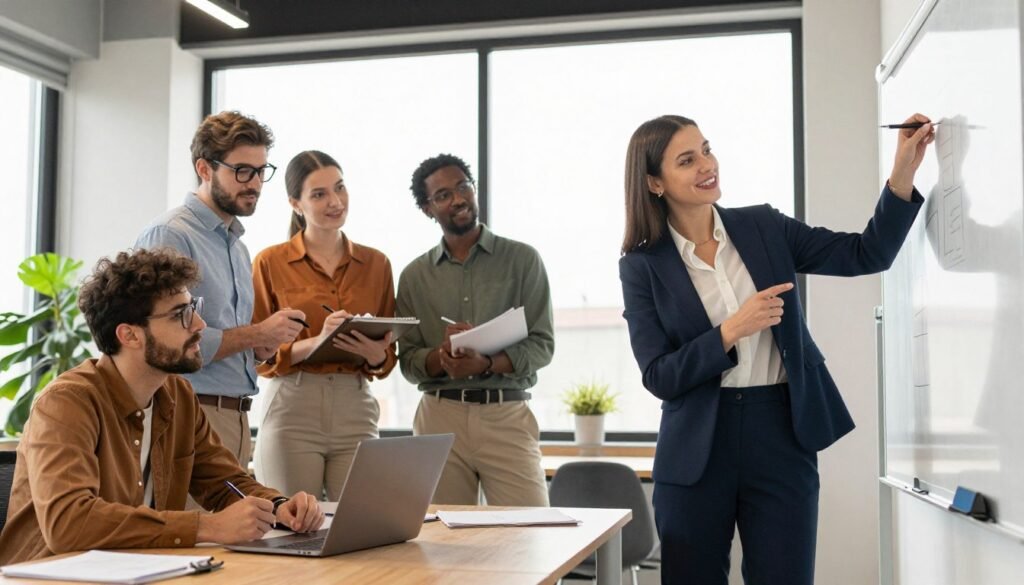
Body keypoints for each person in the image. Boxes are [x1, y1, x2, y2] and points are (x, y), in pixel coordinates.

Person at [618, 113, 934, 584]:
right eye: (687, 160)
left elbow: (866, 253)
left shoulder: (762, 227)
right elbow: (658, 375)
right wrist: (731, 331)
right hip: (697, 448)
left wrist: (903, 171)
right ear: (654, 183)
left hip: (780, 433)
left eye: (707, 149)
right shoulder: (642, 266)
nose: (708, 164)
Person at [0, 249, 324, 565]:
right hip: (49, 575)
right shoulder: (66, 404)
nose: (199, 324)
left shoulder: (178, 395)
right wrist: (206, 527)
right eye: (180, 314)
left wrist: (279, 506)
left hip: (140, 570)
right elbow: (69, 523)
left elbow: (226, 482)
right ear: (130, 335)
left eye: (193, 308)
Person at [135, 111, 306, 469]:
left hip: (237, 417)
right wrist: (256, 333)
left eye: (261, 172)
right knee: (189, 525)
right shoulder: (171, 235)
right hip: (189, 413)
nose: (255, 183)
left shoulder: (237, 247)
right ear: (204, 169)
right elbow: (164, 339)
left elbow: (229, 339)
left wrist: (260, 347)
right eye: (242, 171)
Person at [396, 153, 554, 506]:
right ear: (427, 209)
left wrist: (485, 363)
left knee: (530, 535)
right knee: (441, 543)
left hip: (507, 415)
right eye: (442, 195)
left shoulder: (523, 260)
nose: (458, 199)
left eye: (463, 186)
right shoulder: (413, 276)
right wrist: (442, 356)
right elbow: (407, 362)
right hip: (439, 417)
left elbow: (543, 345)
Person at [251, 150, 397, 499]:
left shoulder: (376, 264)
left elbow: (388, 356)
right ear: (295, 204)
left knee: (361, 526)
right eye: (319, 194)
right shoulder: (270, 262)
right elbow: (259, 356)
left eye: (340, 188)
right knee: (290, 528)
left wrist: (376, 355)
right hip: (293, 408)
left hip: (357, 406)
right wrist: (319, 340)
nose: (335, 201)